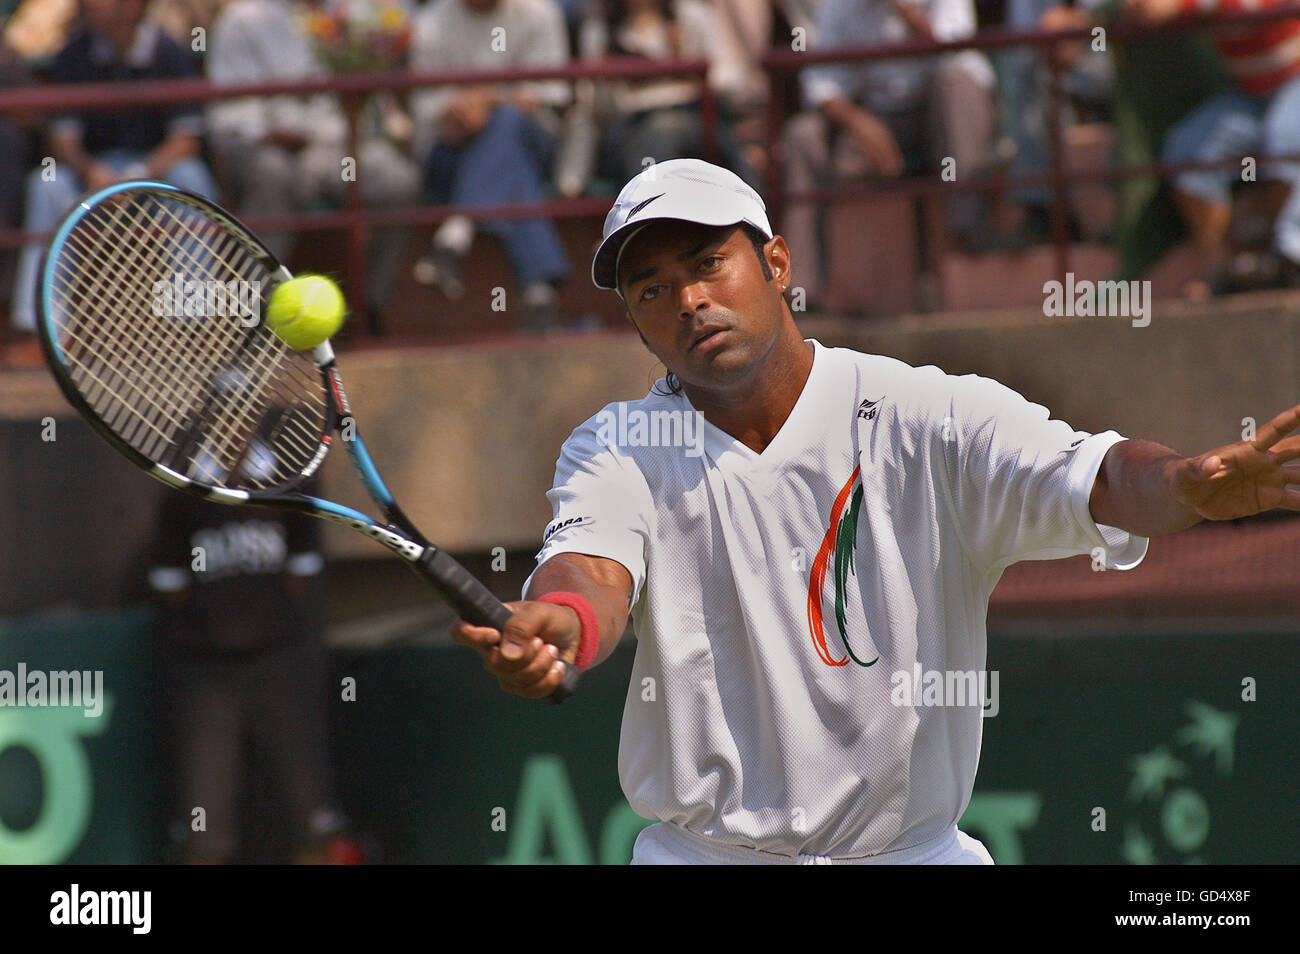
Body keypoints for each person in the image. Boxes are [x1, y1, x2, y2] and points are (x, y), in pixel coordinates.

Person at [451, 157, 1300, 864]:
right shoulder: (616, 448)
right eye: (652, 289)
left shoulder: (925, 413)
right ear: (636, 324)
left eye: (708, 264)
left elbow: (1102, 479)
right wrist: (564, 620)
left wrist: (1187, 483)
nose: (687, 301)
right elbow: (591, 571)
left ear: (776, 264)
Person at [8, 0, 219, 335]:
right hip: (92, 174)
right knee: (46, 184)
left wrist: (138, 176)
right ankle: (40, 325)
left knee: (192, 177)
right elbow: (62, 141)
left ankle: (190, 321)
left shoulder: (171, 52)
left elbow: (186, 140)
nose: (88, 3)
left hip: (153, 174)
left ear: (132, 6)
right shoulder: (73, 55)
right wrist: (91, 171)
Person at [409, 0, 573, 332]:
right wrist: (456, 113)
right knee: (509, 159)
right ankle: (539, 290)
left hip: (533, 139)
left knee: (507, 125)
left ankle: (457, 230)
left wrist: (490, 102)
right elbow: (423, 107)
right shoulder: (430, 23)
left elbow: (550, 94)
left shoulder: (540, 12)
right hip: (453, 151)